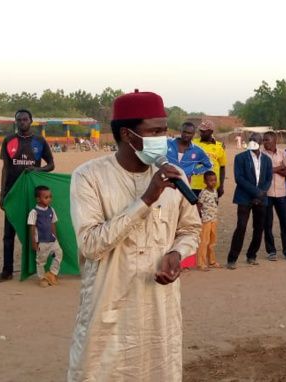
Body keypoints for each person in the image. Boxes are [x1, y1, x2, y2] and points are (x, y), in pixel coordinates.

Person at [68, 90, 201, 381]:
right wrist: (146, 200)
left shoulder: (175, 173)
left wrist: (177, 254)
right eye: (154, 131)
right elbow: (90, 245)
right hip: (110, 305)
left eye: (165, 129)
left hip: (158, 306)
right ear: (128, 135)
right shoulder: (88, 177)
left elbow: (190, 229)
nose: (163, 138)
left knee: (158, 370)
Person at [0, 109, 55, 283]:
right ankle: (6, 271)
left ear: (31, 121)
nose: (22, 122)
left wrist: (37, 169)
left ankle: (40, 267)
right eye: (19, 120)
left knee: (39, 230)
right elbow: (5, 168)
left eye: (25, 119)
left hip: (32, 194)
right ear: (16, 122)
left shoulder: (39, 141)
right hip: (13, 194)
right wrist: (3, 194)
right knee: (9, 233)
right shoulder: (9, 140)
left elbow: (51, 165)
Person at [227, 133, 273, 269]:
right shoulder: (240, 158)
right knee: (241, 227)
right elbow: (239, 178)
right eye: (251, 140)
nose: (253, 142)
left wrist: (261, 194)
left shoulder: (267, 160)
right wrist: (256, 192)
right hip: (244, 197)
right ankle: (232, 258)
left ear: (261, 143)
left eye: (256, 140)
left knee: (259, 228)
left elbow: (268, 179)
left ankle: (252, 255)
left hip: (261, 198)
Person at [261, 131, 286, 261]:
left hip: (281, 193)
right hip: (267, 193)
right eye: (264, 140)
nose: (265, 142)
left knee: (285, 223)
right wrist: (278, 168)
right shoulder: (261, 154)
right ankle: (271, 251)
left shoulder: (283, 153)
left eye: (267, 140)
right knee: (267, 223)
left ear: (275, 141)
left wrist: (274, 170)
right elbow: (262, 173)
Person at [28, 185, 63, 287]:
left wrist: (55, 238)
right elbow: (32, 228)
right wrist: (34, 243)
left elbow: (53, 224)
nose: (49, 199)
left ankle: (52, 274)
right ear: (38, 199)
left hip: (52, 240)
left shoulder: (51, 210)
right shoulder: (34, 212)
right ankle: (42, 278)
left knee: (59, 254)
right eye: (46, 197)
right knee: (41, 261)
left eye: (50, 197)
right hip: (42, 242)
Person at [191, 120, 226, 198]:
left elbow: (222, 167)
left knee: (211, 209)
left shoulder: (219, 146)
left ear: (211, 132)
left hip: (212, 186)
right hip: (195, 186)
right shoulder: (193, 143)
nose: (201, 133)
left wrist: (221, 186)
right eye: (200, 131)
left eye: (204, 131)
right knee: (193, 210)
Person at [195, 171, 222, 270]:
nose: (213, 182)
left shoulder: (215, 191)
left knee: (212, 241)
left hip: (214, 219)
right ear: (205, 181)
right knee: (204, 241)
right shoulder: (203, 193)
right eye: (210, 181)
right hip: (205, 220)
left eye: (215, 180)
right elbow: (199, 205)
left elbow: (216, 203)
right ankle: (201, 263)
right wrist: (200, 218)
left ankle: (212, 261)